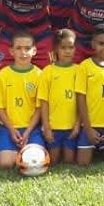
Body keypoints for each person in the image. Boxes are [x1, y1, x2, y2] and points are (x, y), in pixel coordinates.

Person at [0, 30, 44, 170]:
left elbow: (39, 108)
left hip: (32, 129)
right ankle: (9, 147)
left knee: (34, 161)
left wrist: (27, 132)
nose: (23, 52)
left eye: (27, 48)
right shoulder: (3, 75)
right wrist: (11, 129)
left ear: (34, 51)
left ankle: (25, 149)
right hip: (8, 128)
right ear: (11, 51)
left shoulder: (39, 75)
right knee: (5, 163)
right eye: (18, 48)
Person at [75, 24, 104, 166]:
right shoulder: (84, 66)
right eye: (101, 44)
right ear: (93, 44)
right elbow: (81, 99)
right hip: (90, 125)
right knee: (83, 163)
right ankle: (94, 146)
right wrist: (88, 128)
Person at [37, 29, 81, 165]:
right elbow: (43, 102)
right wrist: (46, 127)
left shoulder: (79, 70)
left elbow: (82, 101)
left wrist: (77, 125)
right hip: (54, 127)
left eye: (71, 47)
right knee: (54, 160)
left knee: (69, 160)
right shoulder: (47, 71)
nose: (67, 51)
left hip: (71, 127)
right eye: (63, 48)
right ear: (56, 48)